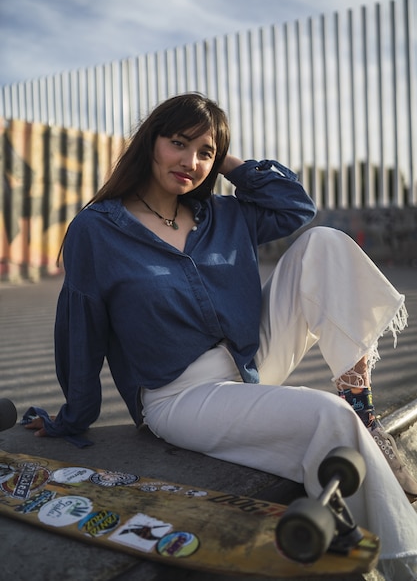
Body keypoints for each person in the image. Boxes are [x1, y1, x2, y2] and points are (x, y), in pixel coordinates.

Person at [25, 93, 417, 579]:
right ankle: (405, 563)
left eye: (204, 152)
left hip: (249, 358)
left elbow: (296, 205)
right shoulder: (96, 230)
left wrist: (225, 155)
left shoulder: (223, 214)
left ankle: (360, 400)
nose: (190, 162)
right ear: (150, 143)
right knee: (326, 418)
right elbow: (80, 328)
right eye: (178, 143)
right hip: (181, 396)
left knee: (324, 243)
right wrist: (72, 418)